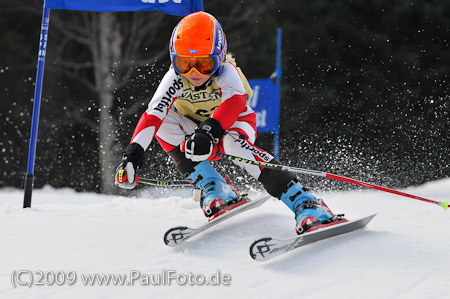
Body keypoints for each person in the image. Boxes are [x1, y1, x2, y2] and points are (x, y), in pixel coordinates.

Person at [115, 11, 344, 234]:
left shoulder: (225, 71)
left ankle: (305, 202)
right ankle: (215, 186)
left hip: (234, 123)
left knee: (233, 144)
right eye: (184, 63)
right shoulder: (174, 78)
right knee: (163, 122)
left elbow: (235, 102)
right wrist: (132, 156)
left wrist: (209, 132)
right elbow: (152, 115)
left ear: (220, 55)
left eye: (204, 64)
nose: (194, 73)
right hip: (196, 130)